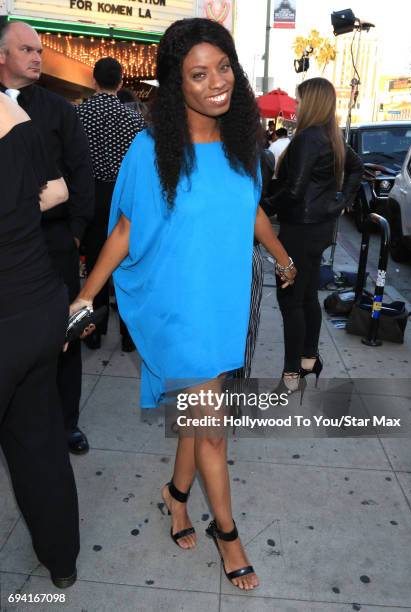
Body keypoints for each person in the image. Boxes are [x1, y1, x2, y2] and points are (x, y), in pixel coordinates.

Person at [70, 18, 296, 591]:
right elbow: (123, 229)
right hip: (179, 307)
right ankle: (230, 537)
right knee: (214, 429)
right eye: (199, 74)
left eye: (223, 68)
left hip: (220, 303)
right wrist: (86, 293)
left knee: (199, 417)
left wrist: (283, 257)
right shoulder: (150, 151)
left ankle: (175, 497)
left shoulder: (241, 146)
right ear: (177, 84)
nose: (216, 82)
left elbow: (250, 211)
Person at [0, 21, 94, 455]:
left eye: (39, 50)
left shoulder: (59, 110)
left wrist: (75, 234)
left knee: (63, 336)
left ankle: (66, 422)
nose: (37, 57)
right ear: (3, 56)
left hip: (52, 243)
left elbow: (81, 174)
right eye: (27, 50)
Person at [0, 92, 80, 589]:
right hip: (37, 305)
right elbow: (56, 191)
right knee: (39, 445)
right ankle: (62, 562)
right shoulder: (15, 112)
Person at [265, 77, 363, 396]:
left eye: (301, 99)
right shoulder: (330, 135)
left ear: (313, 102)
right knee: (306, 297)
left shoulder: (309, 136)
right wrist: (336, 203)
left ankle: (292, 376)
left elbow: (294, 190)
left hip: (300, 230)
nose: (298, 105)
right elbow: (356, 169)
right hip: (317, 230)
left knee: (291, 300)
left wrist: (263, 206)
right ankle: (308, 361)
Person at [76, 57, 145, 352]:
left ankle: (93, 330)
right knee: (126, 263)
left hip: (90, 194)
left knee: (95, 261)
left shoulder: (78, 114)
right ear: (120, 82)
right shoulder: (133, 119)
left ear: (94, 80)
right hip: (125, 195)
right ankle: (130, 337)